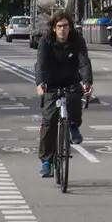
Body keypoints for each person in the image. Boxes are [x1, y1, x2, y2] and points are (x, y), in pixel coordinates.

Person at [32, 10, 93, 178]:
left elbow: (84, 62)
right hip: (50, 82)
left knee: (75, 97)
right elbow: (41, 64)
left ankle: (73, 126)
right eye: (59, 26)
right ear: (53, 28)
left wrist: (87, 82)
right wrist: (40, 83)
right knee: (48, 121)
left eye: (66, 26)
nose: (62, 30)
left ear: (70, 27)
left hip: (71, 80)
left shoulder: (77, 40)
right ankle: (46, 161)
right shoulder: (46, 41)